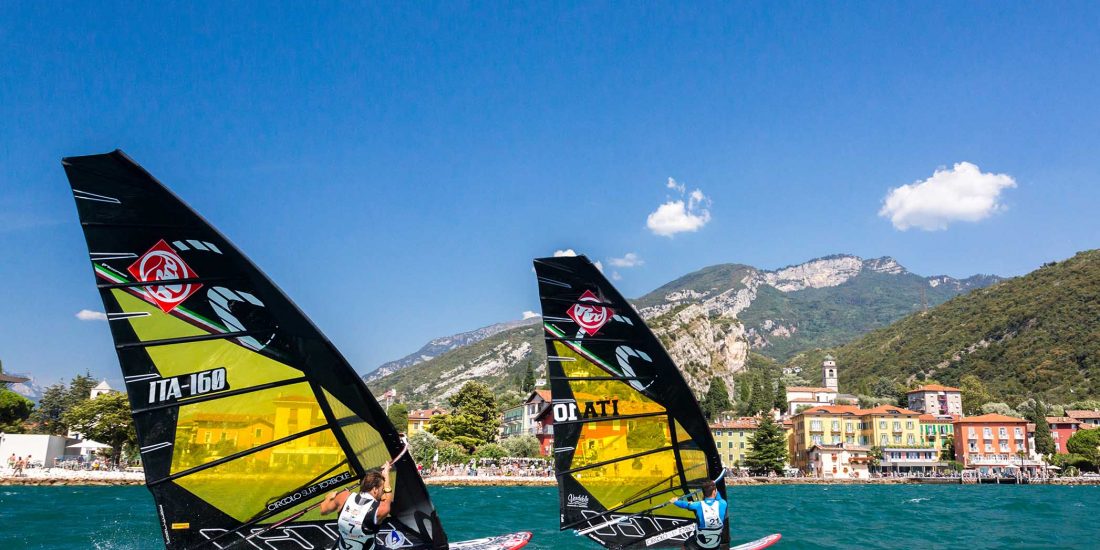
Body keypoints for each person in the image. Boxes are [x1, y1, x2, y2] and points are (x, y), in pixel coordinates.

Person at [320, 463, 393, 550]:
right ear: (375, 490)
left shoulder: (343, 496)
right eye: (382, 489)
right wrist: (386, 474)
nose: (382, 492)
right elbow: (388, 494)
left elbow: (323, 510)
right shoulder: (381, 509)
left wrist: (328, 498)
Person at [669, 480, 726, 550]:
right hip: (715, 545)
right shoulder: (723, 503)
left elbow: (684, 504)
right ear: (714, 492)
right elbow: (718, 497)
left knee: (685, 546)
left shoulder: (697, 505)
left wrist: (675, 501)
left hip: (700, 544)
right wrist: (714, 486)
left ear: (703, 493)